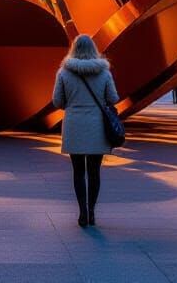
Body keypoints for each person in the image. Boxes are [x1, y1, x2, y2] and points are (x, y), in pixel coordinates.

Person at [52, 34, 119, 229]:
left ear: (74, 49)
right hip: (97, 125)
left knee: (78, 171)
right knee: (94, 171)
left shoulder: (64, 73)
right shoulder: (104, 73)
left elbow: (57, 101)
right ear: (93, 49)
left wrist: (73, 103)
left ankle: (82, 212)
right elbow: (113, 98)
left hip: (74, 125)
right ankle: (92, 212)